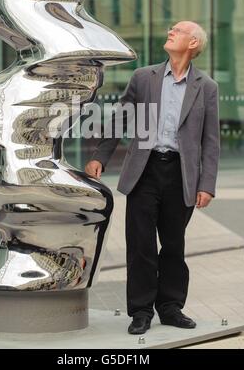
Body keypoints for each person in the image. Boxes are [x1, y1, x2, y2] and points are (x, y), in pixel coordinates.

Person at [85, 21, 220, 335]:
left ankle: (171, 308)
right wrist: (99, 156)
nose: (170, 31)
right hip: (144, 172)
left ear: (193, 43)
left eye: (178, 30)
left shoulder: (207, 87)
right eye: (171, 28)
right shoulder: (144, 77)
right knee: (141, 244)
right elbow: (121, 117)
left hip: (181, 175)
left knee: (173, 245)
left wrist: (207, 184)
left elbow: (211, 142)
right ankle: (141, 311)